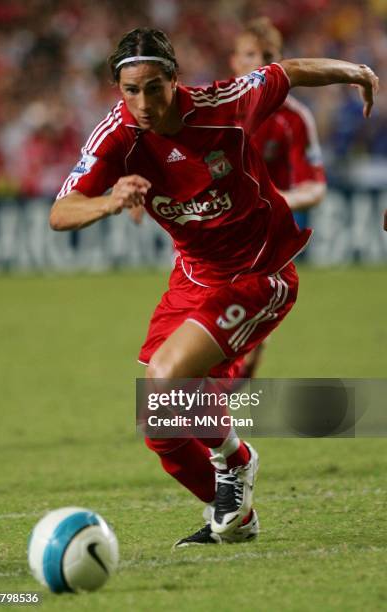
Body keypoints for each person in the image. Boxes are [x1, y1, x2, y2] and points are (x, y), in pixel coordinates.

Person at [50, 28, 378, 547]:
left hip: (259, 273)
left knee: (166, 378)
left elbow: (287, 71)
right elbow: (60, 212)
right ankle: (235, 517)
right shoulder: (115, 136)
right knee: (161, 427)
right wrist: (110, 202)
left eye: (153, 87)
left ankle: (237, 458)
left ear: (175, 80)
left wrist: (356, 71)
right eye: (129, 90)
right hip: (192, 277)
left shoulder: (226, 103)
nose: (142, 103)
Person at [230, 17, 327, 379]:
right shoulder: (211, 110)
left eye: (267, 55)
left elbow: (315, 186)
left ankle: (211, 417)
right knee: (207, 331)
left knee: (240, 342)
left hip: (265, 241)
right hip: (208, 235)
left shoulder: (294, 119)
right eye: (249, 54)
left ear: (280, 63)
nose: (258, 62)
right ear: (234, 61)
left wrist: (275, 199)